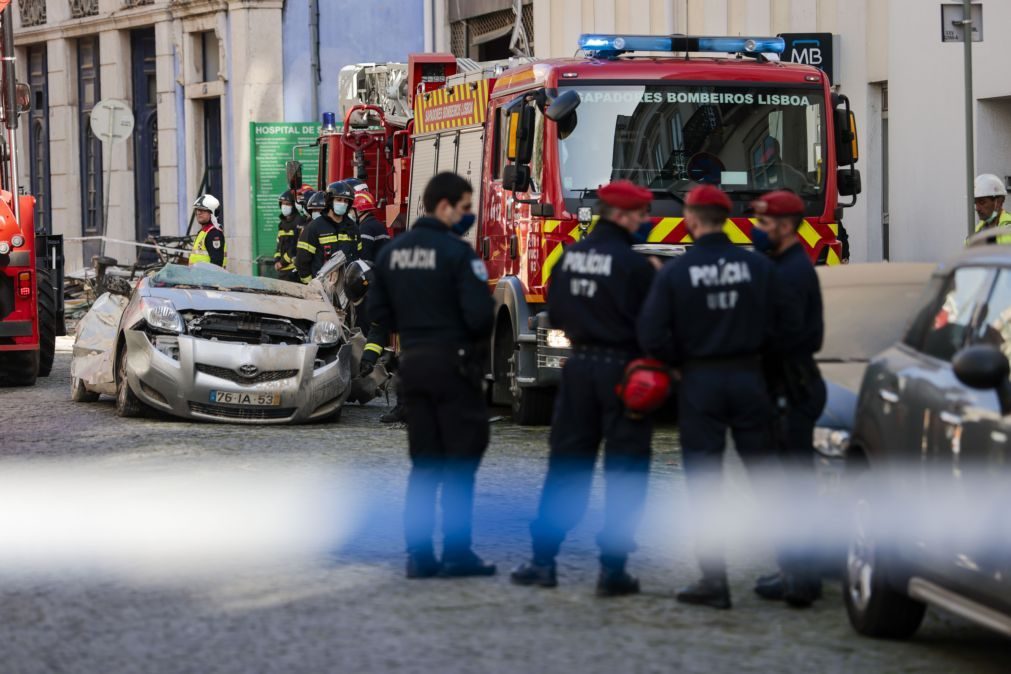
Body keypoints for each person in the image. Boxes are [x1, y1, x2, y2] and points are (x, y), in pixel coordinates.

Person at [637, 185, 800, 610]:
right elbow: (786, 326)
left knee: (705, 482)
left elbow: (652, 333)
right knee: (767, 477)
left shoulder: (675, 273)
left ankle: (715, 581)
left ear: (691, 220)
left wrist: (679, 363)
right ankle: (794, 573)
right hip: (750, 379)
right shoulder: (759, 267)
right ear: (725, 219)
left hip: (700, 382)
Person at [510, 180, 657, 596]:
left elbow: (554, 310)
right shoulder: (635, 267)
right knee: (626, 469)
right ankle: (613, 571)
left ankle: (543, 561)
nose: (645, 221)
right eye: (641, 215)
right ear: (625, 216)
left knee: (568, 466)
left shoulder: (570, 259)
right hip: (623, 373)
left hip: (578, 369)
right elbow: (652, 323)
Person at [367, 171, 496, 579]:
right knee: (459, 463)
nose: (468, 216)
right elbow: (480, 317)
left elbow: (378, 315)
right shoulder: (459, 255)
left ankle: (419, 556)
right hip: (454, 367)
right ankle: (457, 553)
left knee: (424, 465)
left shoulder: (391, 253)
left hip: (415, 366)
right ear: (444, 207)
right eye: (464, 208)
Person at [750, 190, 826, 607]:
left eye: (764, 224)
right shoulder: (781, 265)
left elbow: (795, 336)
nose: (758, 231)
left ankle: (801, 578)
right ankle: (791, 569)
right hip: (784, 385)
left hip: (789, 389)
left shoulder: (792, 272)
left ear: (783, 226)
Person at [294, 181, 356, 283]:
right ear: (330, 201)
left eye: (346, 201)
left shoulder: (353, 227)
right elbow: (301, 261)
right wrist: (311, 284)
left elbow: (357, 257)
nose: (343, 203)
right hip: (320, 290)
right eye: (339, 200)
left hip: (346, 290)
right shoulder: (314, 227)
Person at [275, 190, 308, 282]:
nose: (284, 206)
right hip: (282, 270)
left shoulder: (299, 221)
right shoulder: (282, 224)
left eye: (288, 204)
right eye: (283, 203)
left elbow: (296, 247)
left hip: (294, 270)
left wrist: (282, 262)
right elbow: (278, 245)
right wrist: (277, 260)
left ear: (293, 206)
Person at [188, 194, 226, 268]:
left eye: (202, 210)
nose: (198, 213)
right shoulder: (203, 232)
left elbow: (216, 263)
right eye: (197, 210)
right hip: (199, 278)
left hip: (207, 279)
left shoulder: (214, 233)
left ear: (212, 213)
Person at [972, 173, 1011, 242]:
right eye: (975, 203)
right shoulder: (977, 231)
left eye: (982, 202)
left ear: (998, 202)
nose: (977, 208)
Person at [355, 191, 391, 263]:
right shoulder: (379, 225)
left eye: (352, 209)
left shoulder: (365, 228)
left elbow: (364, 259)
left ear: (359, 210)